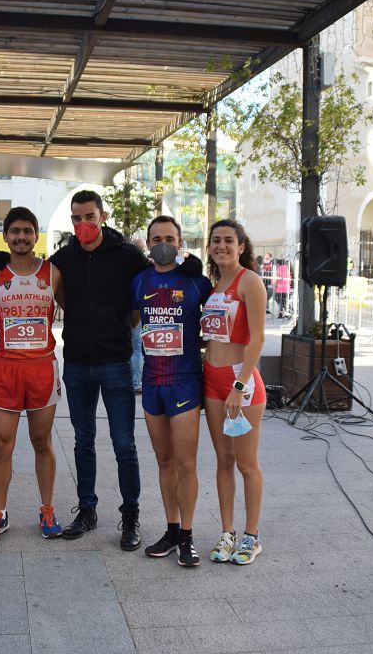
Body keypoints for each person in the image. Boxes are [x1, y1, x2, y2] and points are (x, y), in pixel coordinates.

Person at [47, 189, 148, 550]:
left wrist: (121, 331)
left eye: (89, 216)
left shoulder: (127, 256)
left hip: (116, 363)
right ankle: (87, 510)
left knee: (124, 443)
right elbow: (59, 300)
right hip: (76, 364)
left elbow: (138, 306)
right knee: (82, 440)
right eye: (76, 218)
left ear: (102, 216)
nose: (82, 224)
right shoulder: (63, 259)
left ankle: (130, 516)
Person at [0, 207, 65, 543]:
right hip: (4, 369)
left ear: (36, 235)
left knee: (42, 441)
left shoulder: (53, 272)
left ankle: (47, 509)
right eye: (15, 231)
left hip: (41, 367)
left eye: (28, 231)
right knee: (2, 445)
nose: (22, 237)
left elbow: (80, 311)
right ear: (6, 235)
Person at [132, 216, 212, 568]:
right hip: (152, 383)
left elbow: (221, 315)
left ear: (181, 242)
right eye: (157, 237)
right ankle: (170, 527)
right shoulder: (138, 282)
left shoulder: (196, 282)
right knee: (164, 460)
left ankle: (188, 537)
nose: (163, 242)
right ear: (148, 243)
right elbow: (132, 321)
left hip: (185, 382)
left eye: (170, 237)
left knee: (185, 462)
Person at [201, 220, 267, 566]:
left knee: (246, 463)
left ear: (242, 246)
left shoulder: (250, 281)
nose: (221, 245)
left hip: (239, 382)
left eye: (229, 240)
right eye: (216, 240)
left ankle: (251, 535)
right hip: (210, 379)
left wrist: (239, 387)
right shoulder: (215, 286)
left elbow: (257, 339)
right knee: (223, 460)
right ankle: (227, 532)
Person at [130, 236, 147, 393]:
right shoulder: (142, 268)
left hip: (126, 314)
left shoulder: (124, 265)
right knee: (136, 350)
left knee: (132, 349)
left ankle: (134, 381)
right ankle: (136, 383)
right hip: (135, 314)